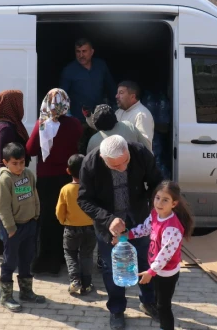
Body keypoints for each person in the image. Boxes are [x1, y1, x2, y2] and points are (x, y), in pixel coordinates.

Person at [77, 135, 163, 330]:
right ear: (102, 157)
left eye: (126, 162)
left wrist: (157, 206)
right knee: (112, 269)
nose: (123, 168)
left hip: (138, 220)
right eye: (116, 166)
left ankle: (148, 301)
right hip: (109, 227)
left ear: (128, 151)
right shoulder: (90, 164)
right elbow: (84, 200)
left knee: (145, 261)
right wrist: (108, 219)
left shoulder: (140, 153)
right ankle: (116, 309)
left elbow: (157, 181)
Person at [25, 88, 82, 275]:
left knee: (47, 218)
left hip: (46, 179)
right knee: (64, 218)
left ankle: (46, 260)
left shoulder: (41, 124)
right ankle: (62, 258)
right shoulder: (74, 124)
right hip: (67, 178)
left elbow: (31, 149)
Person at [127, 181, 195, 330]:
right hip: (155, 270)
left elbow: (165, 255)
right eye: (157, 198)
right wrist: (127, 235)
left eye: (165, 200)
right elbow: (144, 228)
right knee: (157, 300)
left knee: (163, 307)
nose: (159, 203)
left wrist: (151, 272)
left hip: (167, 273)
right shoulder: (154, 214)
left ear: (174, 203)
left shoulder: (172, 228)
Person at [0, 143, 45, 312]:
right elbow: (3, 207)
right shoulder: (5, 180)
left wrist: (36, 214)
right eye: (14, 163)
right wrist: (10, 228)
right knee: (10, 261)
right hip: (13, 228)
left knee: (27, 258)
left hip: (29, 224)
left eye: (22, 162)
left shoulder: (29, 174)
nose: (19, 166)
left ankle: (26, 291)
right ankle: (6, 296)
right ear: (5, 162)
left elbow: (35, 195)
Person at [0, 90, 30, 259]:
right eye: (19, 102)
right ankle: (4, 251)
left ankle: (0, 250)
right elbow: (6, 158)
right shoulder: (7, 128)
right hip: (1, 175)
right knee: (4, 212)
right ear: (12, 104)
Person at [55, 154, 95, 296]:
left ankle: (74, 280)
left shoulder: (65, 189)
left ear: (68, 171)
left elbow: (60, 211)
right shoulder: (91, 188)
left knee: (70, 253)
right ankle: (87, 284)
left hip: (71, 228)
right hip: (90, 228)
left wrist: (63, 221)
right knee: (87, 255)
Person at [59, 38, 117, 125]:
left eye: (84, 51)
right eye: (78, 51)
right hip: (79, 121)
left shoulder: (100, 66)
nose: (81, 55)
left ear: (92, 52)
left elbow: (111, 87)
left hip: (100, 118)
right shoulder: (69, 71)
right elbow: (62, 96)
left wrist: (116, 108)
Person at [86, 104, 151, 154]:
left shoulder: (93, 141)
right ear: (114, 116)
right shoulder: (129, 126)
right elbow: (147, 149)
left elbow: (89, 164)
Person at [115, 81, 155, 146]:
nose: (117, 96)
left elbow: (144, 146)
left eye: (121, 93)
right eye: (117, 93)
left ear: (132, 97)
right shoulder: (119, 112)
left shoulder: (141, 115)